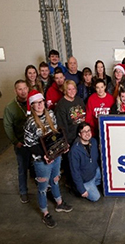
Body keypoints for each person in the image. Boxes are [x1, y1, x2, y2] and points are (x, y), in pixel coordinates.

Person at [24, 90, 72, 228]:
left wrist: (63, 145)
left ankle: (59, 203)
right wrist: (43, 155)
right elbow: (29, 144)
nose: (39, 105)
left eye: (41, 102)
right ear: (32, 105)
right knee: (43, 188)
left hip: (55, 156)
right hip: (41, 160)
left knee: (56, 179)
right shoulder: (30, 122)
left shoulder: (50, 114)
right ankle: (45, 213)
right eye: (36, 103)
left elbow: (55, 134)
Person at [3, 80, 32, 203]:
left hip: (34, 142)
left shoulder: (33, 102)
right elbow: (7, 126)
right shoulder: (10, 107)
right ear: (16, 91)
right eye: (20, 89)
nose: (23, 91)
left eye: (25, 88)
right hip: (21, 142)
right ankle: (23, 191)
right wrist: (15, 141)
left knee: (36, 166)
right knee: (22, 168)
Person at [69, 122, 101, 202]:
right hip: (85, 179)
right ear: (79, 134)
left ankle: (94, 184)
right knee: (96, 197)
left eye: (88, 131)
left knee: (105, 177)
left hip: (94, 171)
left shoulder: (94, 141)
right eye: (84, 131)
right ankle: (76, 188)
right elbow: (75, 171)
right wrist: (82, 189)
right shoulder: (74, 150)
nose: (87, 134)